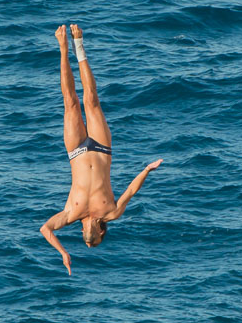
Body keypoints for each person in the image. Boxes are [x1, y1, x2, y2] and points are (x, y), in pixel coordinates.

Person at [40, 24, 163, 275]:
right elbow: (131, 191)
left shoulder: (70, 214)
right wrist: (147, 170)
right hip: (101, 147)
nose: (87, 239)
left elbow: (45, 229)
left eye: (86, 241)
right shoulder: (111, 212)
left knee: (70, 101)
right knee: (91, 99)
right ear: (101, 233)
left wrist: (63, 252)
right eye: (92, 240)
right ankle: (79, 44)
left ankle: (64, 47)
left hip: (75, 150)